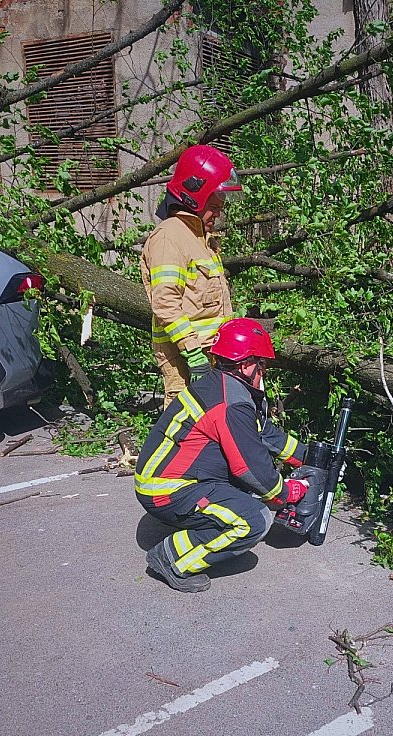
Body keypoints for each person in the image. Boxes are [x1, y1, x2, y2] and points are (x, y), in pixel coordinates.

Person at [135, 317, 310, 593]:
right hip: (170, 490)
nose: (264, 371)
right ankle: (172, 559)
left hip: (171, 479)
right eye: (261, 364)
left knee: (249, 495)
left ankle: (195, 530)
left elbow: (263, 433)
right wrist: (286, 493)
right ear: (245, 365)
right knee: (254, 520)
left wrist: (307, 456)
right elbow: (250, 469)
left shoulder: (224, 385)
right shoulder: (232, 403)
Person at [141, 144, 242, 408]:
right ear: (195, 195)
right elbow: (165, 303)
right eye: (215, 203)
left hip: (210, 354)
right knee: (185, 431)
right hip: (185, 358)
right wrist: (193, 354)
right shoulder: (170, 237)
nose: (219, 212)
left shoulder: (199, 239)